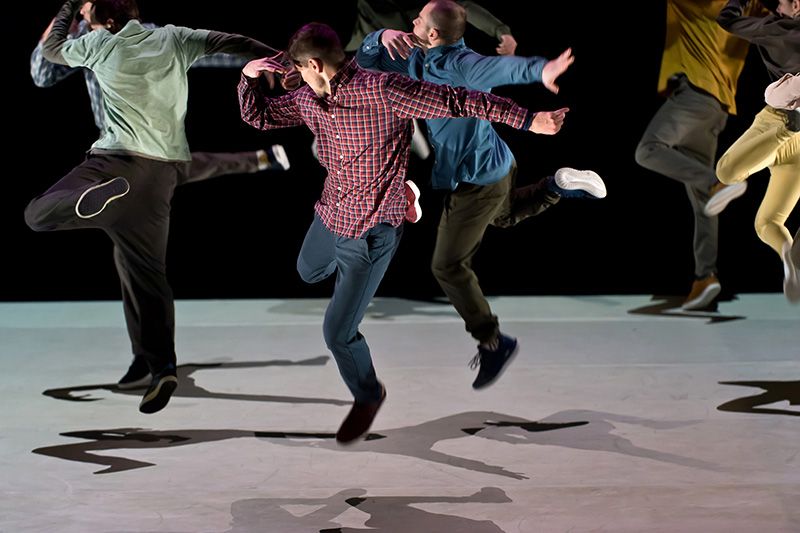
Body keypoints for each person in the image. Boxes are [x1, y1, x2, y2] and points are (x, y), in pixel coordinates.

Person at [238, 22, 568, 443]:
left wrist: (528, 120)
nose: (299, 78)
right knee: (307, 270)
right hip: (332, 213)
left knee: (337, 333)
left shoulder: (383, 90)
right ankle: (405, 193)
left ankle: (368, 395)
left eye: (302, 70)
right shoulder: (308, 97)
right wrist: (247, 77)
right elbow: (260, 115)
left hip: (371, 231)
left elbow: (457, 99)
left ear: (316, 65)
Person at [24, 0, 283, 414]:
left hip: (115, 163)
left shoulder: (95, 43)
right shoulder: (172, 37)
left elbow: (44, 65)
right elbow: (227, 45)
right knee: (144, 271)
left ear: (106, 20)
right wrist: (273, 60)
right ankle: (158, 365)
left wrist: (66, 11)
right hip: (160, 170)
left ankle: (88, 203)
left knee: (38, 214)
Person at [356, 0, 607, 389]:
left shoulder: (462, 65)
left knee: (447, 265)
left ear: (433, 33)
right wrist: (381, 36)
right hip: (497, 165)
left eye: (418, 19)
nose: (412, 21)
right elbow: (366, 63)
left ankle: (492, 341)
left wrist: (540, 69)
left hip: (477, 180)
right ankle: (556, 185)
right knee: (503, 217)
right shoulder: (416, 58)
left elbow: (500, 68)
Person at [634, 0, 765, 310]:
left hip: (693, 97)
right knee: (704, 202)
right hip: (717, 109)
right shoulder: (747, 7)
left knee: (648, 150)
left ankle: (717, 182)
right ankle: (705, 277)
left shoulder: (699, 3)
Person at [707, 0, 800, 302]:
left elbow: (727, 19)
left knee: (726, 171)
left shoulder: (776, 27)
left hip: (777, 124)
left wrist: (740, 0)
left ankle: (787, 130)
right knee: (767, 223)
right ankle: (789, 258)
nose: (777, 8)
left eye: (781, 3)